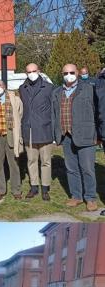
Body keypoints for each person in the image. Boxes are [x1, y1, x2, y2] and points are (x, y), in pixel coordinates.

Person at [52, 63, 104, 212]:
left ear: (77, 73)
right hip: (66, 135)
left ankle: (90, 197)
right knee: (71, 168)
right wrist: (56, 134)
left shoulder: (89, 89)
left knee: (87, 168)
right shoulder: (57, 92)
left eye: (71, 72)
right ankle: (76, 196)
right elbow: (54, 115)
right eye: (65, 73)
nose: (69, 75)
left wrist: (98, 134)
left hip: (86, 135)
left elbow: (97, 111)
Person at [19, 63, 55, 201]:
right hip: (29, 130)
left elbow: (53, 110)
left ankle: (45, 188)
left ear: (39, 71)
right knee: (31, 160)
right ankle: (34, 186)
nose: (32, 73)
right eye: (29, 71)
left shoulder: (49, 88)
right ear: (26, 73)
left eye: (34, 71)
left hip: (44, 129)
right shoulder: (23, 88)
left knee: (45, 161)